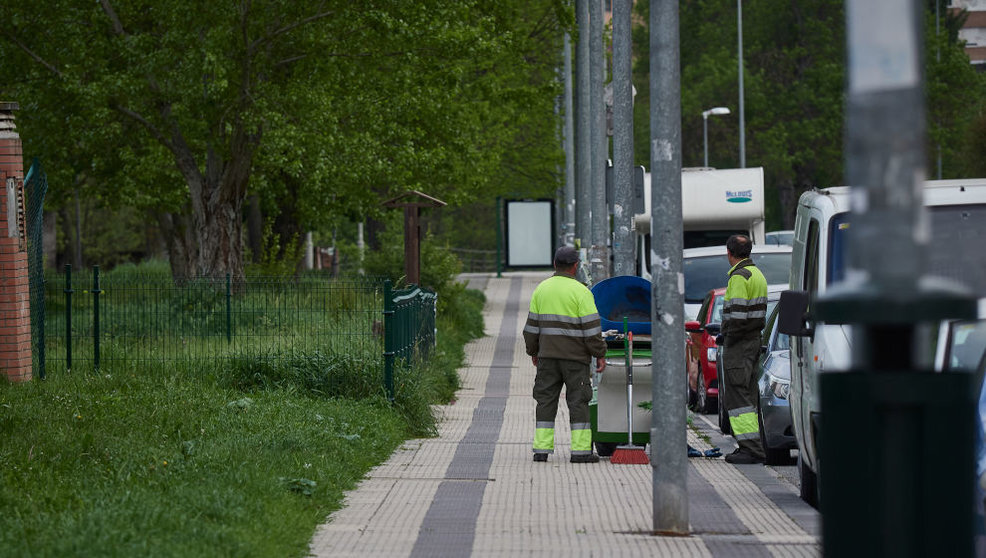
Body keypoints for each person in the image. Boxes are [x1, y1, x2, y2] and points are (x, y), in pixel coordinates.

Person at [524, 246, 607, 463]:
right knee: (578, 402)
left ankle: (541, 451)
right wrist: (599, 353)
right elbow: (591, 330)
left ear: (554, 264)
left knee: (545, 401)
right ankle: (580, 453)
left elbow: (531, 327)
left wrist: (534, 351)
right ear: (575, 266)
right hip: (575, 361)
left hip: (547, 358)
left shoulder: (541, 290)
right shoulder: (581, 292)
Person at [720, 234, 768, 464]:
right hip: (753, 341)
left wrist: (727, 338)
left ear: (729, 253)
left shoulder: (739, 277)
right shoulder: (757, 274)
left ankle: (750, 448)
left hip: (739, 344)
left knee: (738, 397)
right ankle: (750, 445)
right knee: (748, 396)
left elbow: (737, 316)